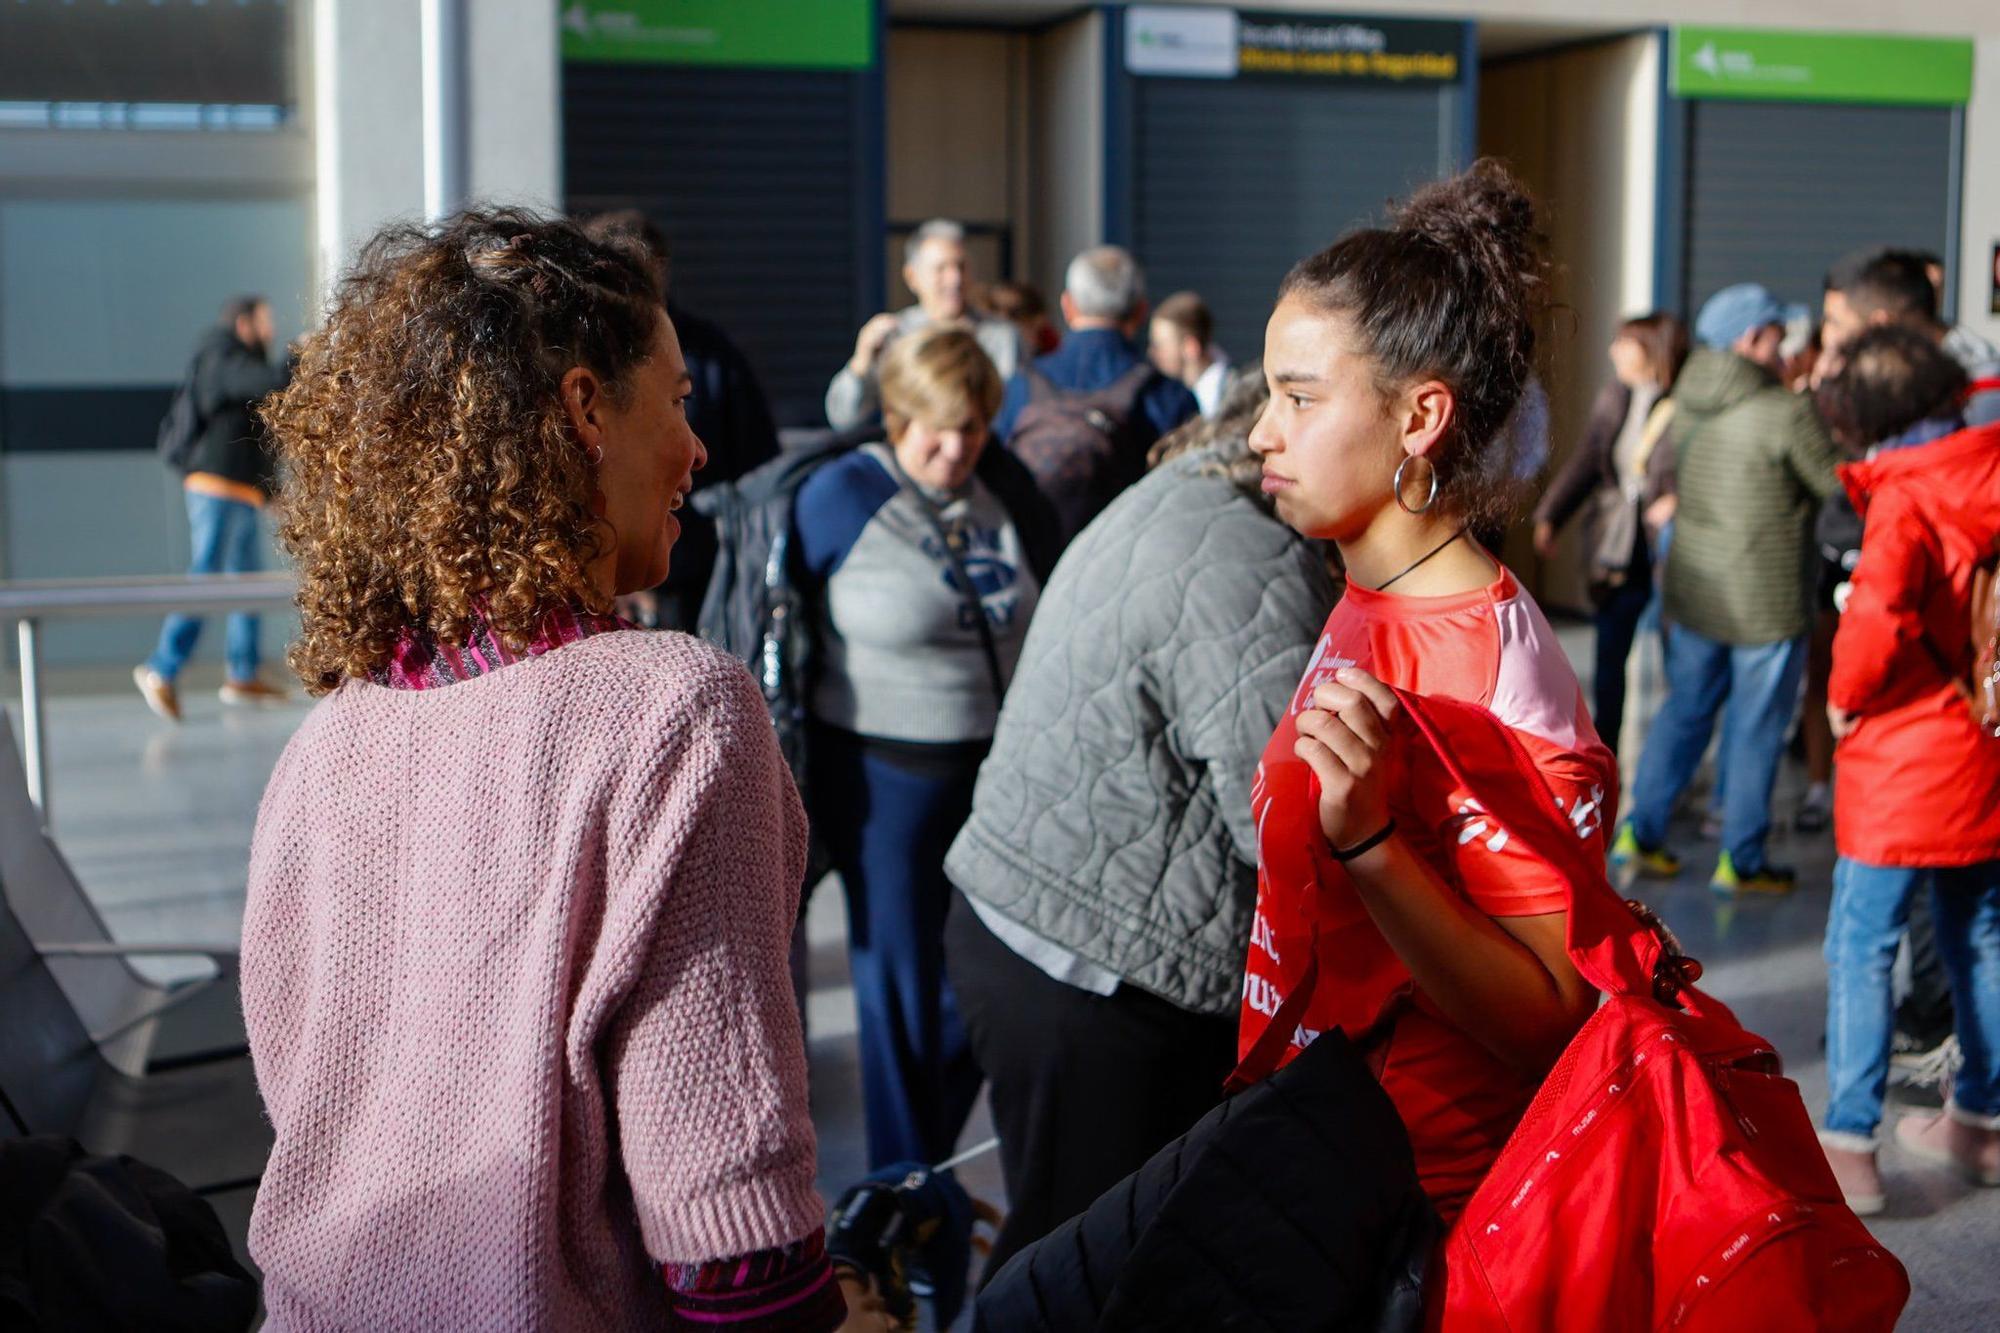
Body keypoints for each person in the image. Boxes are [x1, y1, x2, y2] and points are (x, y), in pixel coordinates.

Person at [242, 209, 869, 1331]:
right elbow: (734, 1248)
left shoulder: (326, 744)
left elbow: (312, 1103)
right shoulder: (672, 712)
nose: (698, 448)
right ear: (586, 408)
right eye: (676, 403)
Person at [1237, 160, 1615, 1228]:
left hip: (1420, 1199)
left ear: (1419, 417)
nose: (1262, 431)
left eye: (1298, 397)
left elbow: (1551, 1009)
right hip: (1319, 1144)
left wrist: (1371, 851)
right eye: (1268, 391)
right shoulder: (1367, 585)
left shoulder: (1488, 663)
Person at [943, 368, 1339, 1278]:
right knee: (1079, 1266)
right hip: (1091, 969)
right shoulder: (1249, 557)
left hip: (1033, 922)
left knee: (1061, 1244)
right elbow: (1287, 831)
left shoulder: (1179, 494)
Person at [794, 326, 1058, 1171]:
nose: (955, 448)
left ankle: (919, 1177)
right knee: (900, 993)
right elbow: (777, 621)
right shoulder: (839, 494)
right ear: (896, 416)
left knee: (985, 982)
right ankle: (908, 1202)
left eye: (974, 428)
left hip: (995, 774)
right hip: (882, 779)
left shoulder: (1002, 487)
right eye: (935, 428)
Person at [1812, 325, 2000, 1214]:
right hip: (1981, 743)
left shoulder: (1906, 498)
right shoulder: (1986, 471)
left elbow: (1878, 618)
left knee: (1862, 944)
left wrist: (1843, 696)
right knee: (1979, 936)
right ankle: (1983, 1121)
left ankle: (1852, 1144)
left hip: (1901, 759)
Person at [1612, 283, 1841, 895]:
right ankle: (1740, 859)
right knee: (1756, 724)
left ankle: (1642, 830)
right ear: (1749, 340)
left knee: (1684, 709)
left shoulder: (1691, 394)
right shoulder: (1785, 411)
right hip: (1765, 597)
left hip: (1697, 585)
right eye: (1774, 334)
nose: (1784, 345)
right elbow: (1837, 483)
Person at [579, 210, 780, 631]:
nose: (695, 452)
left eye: (681, 398)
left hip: (693, 561)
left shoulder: (708, 353)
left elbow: (759, 458)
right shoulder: (571, 355)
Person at [1531, 313, 1688, 755]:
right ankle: (1605, 758)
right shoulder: (1616, 394)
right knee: (1609, 661)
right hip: (1617, 550)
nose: (1613, 351)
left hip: (1667, 553)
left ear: (1652, 348)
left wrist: (1681, 499)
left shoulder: (1686, 402)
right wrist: (1551, 515)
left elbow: (1707, 467)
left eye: (1625, 343)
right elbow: (1589, 457)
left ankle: (1668, 763)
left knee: (1679, 667)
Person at [133, 296, 291, 721]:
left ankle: (242, 675)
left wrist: (270, 491)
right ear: (244, 323)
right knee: (206, 575)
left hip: (241, 492)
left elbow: (251, 436)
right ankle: (160, 668)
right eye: (265, 321)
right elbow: (267, 382)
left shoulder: (239, 359)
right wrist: (297, 356)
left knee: (248, 582)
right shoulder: (220, 356)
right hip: (215, 488)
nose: (271, 330)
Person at [992, 246, 1199, 541]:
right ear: (1141, 311)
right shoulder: (1166, 395)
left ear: (1068, 306)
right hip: (1121, 559)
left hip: (1033, 559)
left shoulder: (1020, 386)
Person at [825, 220, 1023, 431]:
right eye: (941, 268)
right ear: (912, 277)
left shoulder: (1001, 336)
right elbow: (844, 419)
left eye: (961, 266)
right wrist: (861, 364)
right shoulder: (895, 335)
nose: (954, 279)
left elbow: (1013, 413)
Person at [1821, 247, 2000, 425]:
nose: (1830, 338)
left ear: (1881, 325)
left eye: (1835, 323)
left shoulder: (1979, 392)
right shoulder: (1906, 378)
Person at [1147, 290, 1232, 418]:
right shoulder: (1172, 395)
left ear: (1190, 347)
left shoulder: (1230, 396)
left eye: (1160, 345)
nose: (1151, 353)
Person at [985, 279, 1060, 358]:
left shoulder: (1055, 358)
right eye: (994, 307)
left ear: (1039, 320)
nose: (1001, 317)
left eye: (1014, 312)